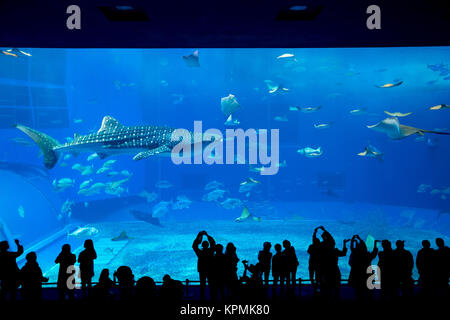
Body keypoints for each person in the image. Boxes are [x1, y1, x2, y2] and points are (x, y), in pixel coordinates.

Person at [318, 227, 348, 300]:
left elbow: (330, 239)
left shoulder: (322, 249)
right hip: (334, 270)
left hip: (325, 270)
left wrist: (324, 231)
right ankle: (335, 299)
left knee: (326, 287)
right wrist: (344, 244)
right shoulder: (334, 251)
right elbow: (343, 253)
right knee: (336, 287)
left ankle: (326, 299)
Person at [348, 235, 378, 300]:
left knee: (358, 293)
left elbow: (352, 248)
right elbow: (374, 252)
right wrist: (375, 244)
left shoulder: (356, 254)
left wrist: (353, 239)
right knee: (369, 293)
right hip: (368, 276)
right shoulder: (368, 255)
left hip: (358, 276)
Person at [192, 230, 216, 300]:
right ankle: (213, 298)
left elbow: (194, 245)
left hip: (202, 270)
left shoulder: (200, 252)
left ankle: (202, 298)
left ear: (202, 245)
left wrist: (199, 235)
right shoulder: (211, 251)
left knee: (202, 285)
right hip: (210, 269)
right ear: (208, 245)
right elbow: (213, 243)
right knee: (211, 284)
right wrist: (207, 235)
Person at [308, 228, 322, 294]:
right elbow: (314, 238)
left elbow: (308, 251)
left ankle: (314, 286)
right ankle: (317, 286)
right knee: (317, 276)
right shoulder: (320, 247)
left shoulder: (311, 246)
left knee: (311, 276)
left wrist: (315, 232)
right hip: (318, 264)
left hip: (311, 263)